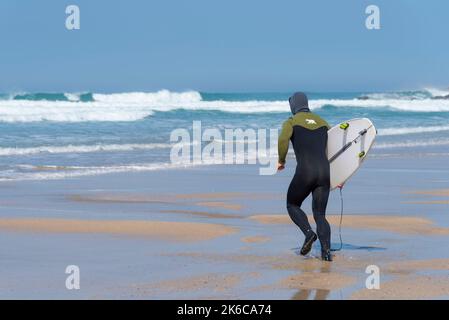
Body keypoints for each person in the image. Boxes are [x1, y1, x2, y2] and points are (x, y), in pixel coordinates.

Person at [277, 92, 333, 261]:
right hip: (324, 172)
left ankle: (309, 234)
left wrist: (281, 160)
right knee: (320, 215)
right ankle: (326, 254)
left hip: (306, 172)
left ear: (293, 105)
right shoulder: (323, 123)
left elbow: (282, 140)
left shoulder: (291, 122)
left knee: (292, 204)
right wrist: (340, 175)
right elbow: (335, 148)